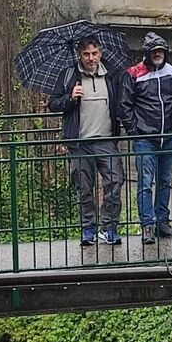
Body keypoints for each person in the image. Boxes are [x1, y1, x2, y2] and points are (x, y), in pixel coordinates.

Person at [48, 37, 124, 247]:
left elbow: (122, 100)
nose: (91, 58)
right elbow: (53, 104)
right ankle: (88, 228)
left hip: (107, 140)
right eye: (86, 54)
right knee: (84, 187)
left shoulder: (112, 74)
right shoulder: (69, 74)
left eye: (94, 53)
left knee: (115, 182)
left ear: (100, 53)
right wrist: (70, 98)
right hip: (79, 143)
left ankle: (109, 228)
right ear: (79, 55)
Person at [119, 32, 172, 245]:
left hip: (170, 137)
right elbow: (125, 107)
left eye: (161, 51)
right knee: (145, 183)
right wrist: (135, 131)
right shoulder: (134, 74)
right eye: (154, 51)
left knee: (165, 181)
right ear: (147, 53)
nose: (158, 54)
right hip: (145, 138)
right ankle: (147, 225)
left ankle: (162, 222)